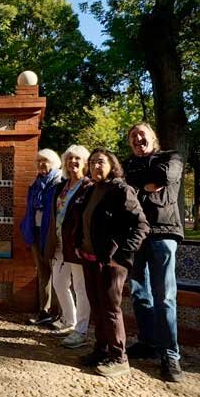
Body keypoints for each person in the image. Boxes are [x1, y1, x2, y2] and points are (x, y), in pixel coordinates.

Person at [75, 148, 149, 378]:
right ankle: (101, 350)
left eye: (101, 162)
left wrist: (121, 254)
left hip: (110, 262)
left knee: (110, 310)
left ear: (111, 165)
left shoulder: (120, 190)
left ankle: (119, 357)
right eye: (93, 162)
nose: (96, 166)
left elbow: (141, 226)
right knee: (97, 307)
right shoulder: (91, 190)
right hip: (89, 259)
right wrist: (79, 243)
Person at [123, 123, 185, 382]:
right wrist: (142, 182)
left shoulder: (171, 158)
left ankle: (170, 355)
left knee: (165, 296)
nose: (138, 139)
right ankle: (148, 342)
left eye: (142, 135)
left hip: (163, 232)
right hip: (136, 234)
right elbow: (125, 185)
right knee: (139, 293)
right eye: (133, 136)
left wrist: (141, 180)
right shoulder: (128, 164)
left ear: (153, 138)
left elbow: (164, 177)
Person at [43, 145, 93, 348]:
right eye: (70, 158)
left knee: (81, 287)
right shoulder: (61, 187)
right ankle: (69, 320)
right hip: (59, 243)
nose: (73, 162)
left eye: (78, 159)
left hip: (77, 244)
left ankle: (80, 330)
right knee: (59, 283)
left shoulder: (88, 186)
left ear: (85, 162)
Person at [20, 148, 63, 326]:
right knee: (43, 273)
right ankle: (43, 311)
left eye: (45, 161)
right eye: (38, 161)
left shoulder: (59, 183)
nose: (41, 164)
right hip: (35, 231)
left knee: (58, 276)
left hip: (52, 233)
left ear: (54, 163)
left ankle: (59, 314)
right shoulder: (35, 184)